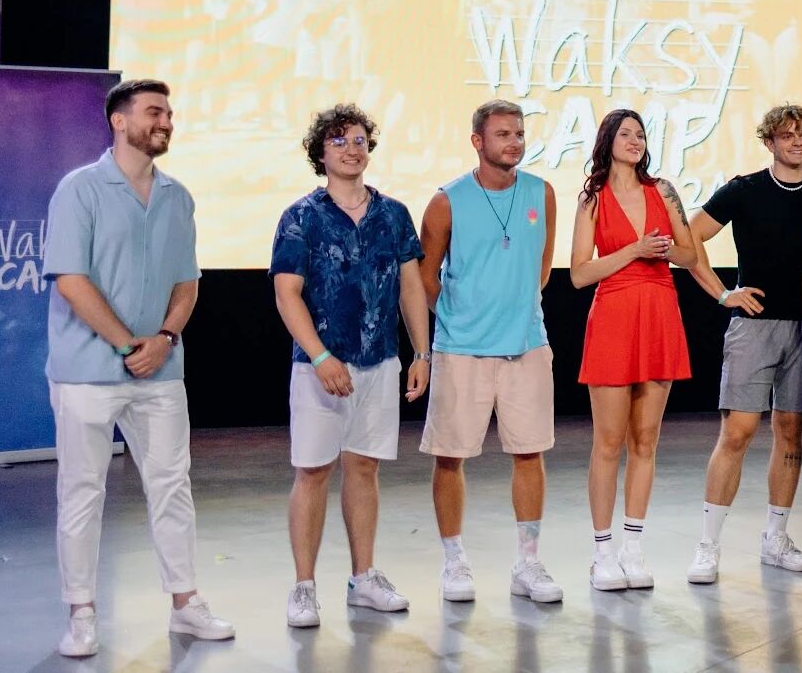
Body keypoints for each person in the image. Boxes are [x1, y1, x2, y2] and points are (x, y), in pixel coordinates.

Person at [43, 78, 235, 658]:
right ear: (119, 121)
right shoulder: (79, 189)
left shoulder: (178, 196)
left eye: (170, 113)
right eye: (155, 112)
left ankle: (186, 604)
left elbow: (187, 282)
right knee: (82, 491)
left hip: (161, 372)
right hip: (86, 372)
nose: (166, 121)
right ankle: (81, 614)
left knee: (172, 487)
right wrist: (130, 344)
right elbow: (71, 279)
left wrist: (166, 338)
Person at [273, 104, 432, 628]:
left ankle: (363, 577)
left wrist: (421, 352)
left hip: (380, 362)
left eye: (360, 140)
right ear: (320, 153)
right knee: (313, 471)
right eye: (339, 140)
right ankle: (303, 586)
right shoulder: (301, 217)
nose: (351, 149)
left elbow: (411, 287)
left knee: (364, 467)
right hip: (318, 367)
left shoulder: (394, 215)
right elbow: (287, 294)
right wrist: (321, 356)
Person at [683, 103, 802, 584]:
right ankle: (708, 546)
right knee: (737, 432)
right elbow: (688, 238)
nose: (797, 142)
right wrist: (723, 293)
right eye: (787, 135)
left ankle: (775, 538)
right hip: (753, 326)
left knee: (790, 432)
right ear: (769, 142)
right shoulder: (743, 189)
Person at [418, 100, 562, 603]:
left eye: (519, 133)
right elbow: (425, 277)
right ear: (478, 141)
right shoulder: (447, 201)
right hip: (461, 350)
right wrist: (459, 319)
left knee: (530, 451)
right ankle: (454, 561)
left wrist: (515, 309)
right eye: (503, 134)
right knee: (450, 456)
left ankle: (528, 562)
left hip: (527, 345)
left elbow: (542, 267)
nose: (514, 142)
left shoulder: (541, 193)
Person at [570, 109, 701, 591]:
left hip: (659, 312)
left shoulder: (663, 190)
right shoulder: (592, 199)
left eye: (641, 134)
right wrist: (634, 250)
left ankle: (632, 547)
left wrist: (665, 252)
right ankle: (602, 552)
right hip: (614, 316)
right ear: (607, 140)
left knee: (646, 441)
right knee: (608, 442)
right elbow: (579, 273)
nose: (635, 140)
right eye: (625, 133)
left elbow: (690, 254)